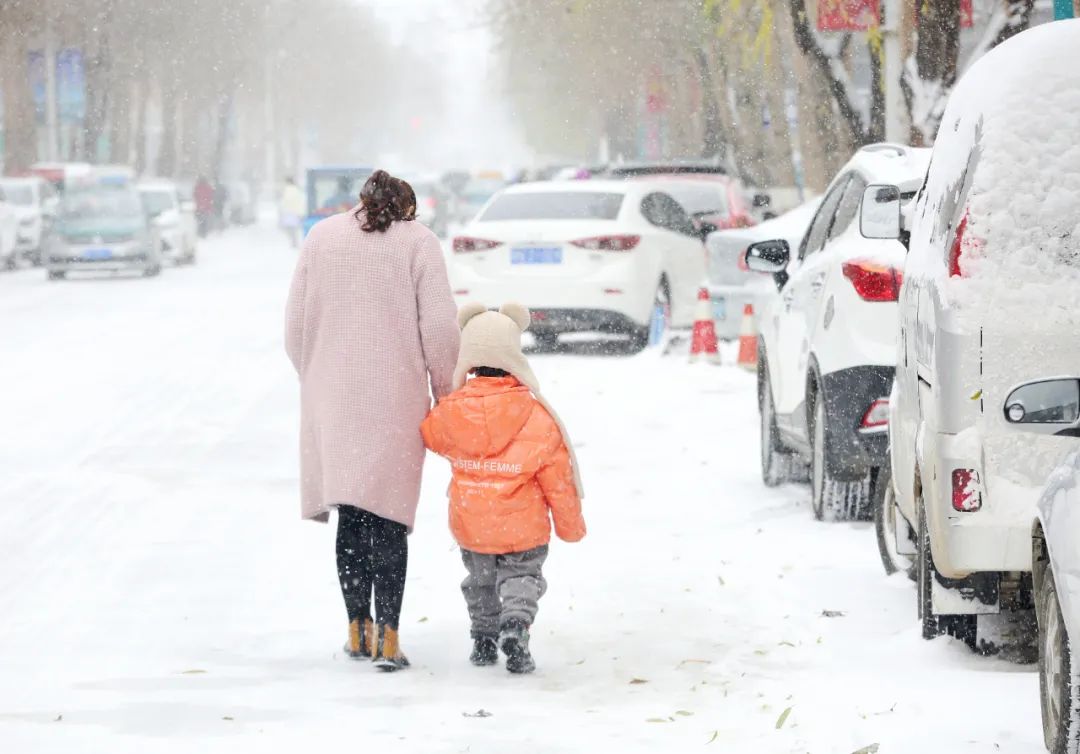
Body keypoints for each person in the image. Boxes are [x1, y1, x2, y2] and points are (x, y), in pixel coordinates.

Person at [285, 169, 459, 672]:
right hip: (396, 400)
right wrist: (444, 391)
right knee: (387, 518)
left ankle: (355, 629)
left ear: (360, 203)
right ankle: (389, 638)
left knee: (352, 516)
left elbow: (293, 326)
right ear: (406, 207)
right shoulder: (418, 244)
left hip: (333, 398)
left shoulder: (321, 238)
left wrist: (316, 375)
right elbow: (442, 329)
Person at [421, 303, 586, 674]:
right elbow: (558, 479)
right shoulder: (535, 413)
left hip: (471, 519)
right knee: (522, 577)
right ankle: (515, 623)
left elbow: (430, 435)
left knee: (479, 581)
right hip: (522, 526)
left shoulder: (451, 411)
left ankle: (482, 639)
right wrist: (570, 526)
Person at [279, 177, 306, 248]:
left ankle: (294, 242)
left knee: (290, 228)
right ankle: (294, 242)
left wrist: (282, 209)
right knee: (293, 228)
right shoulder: (297, 189)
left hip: (289, 212)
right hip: (295, 212)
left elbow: (286, 201)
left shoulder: (288, 190)